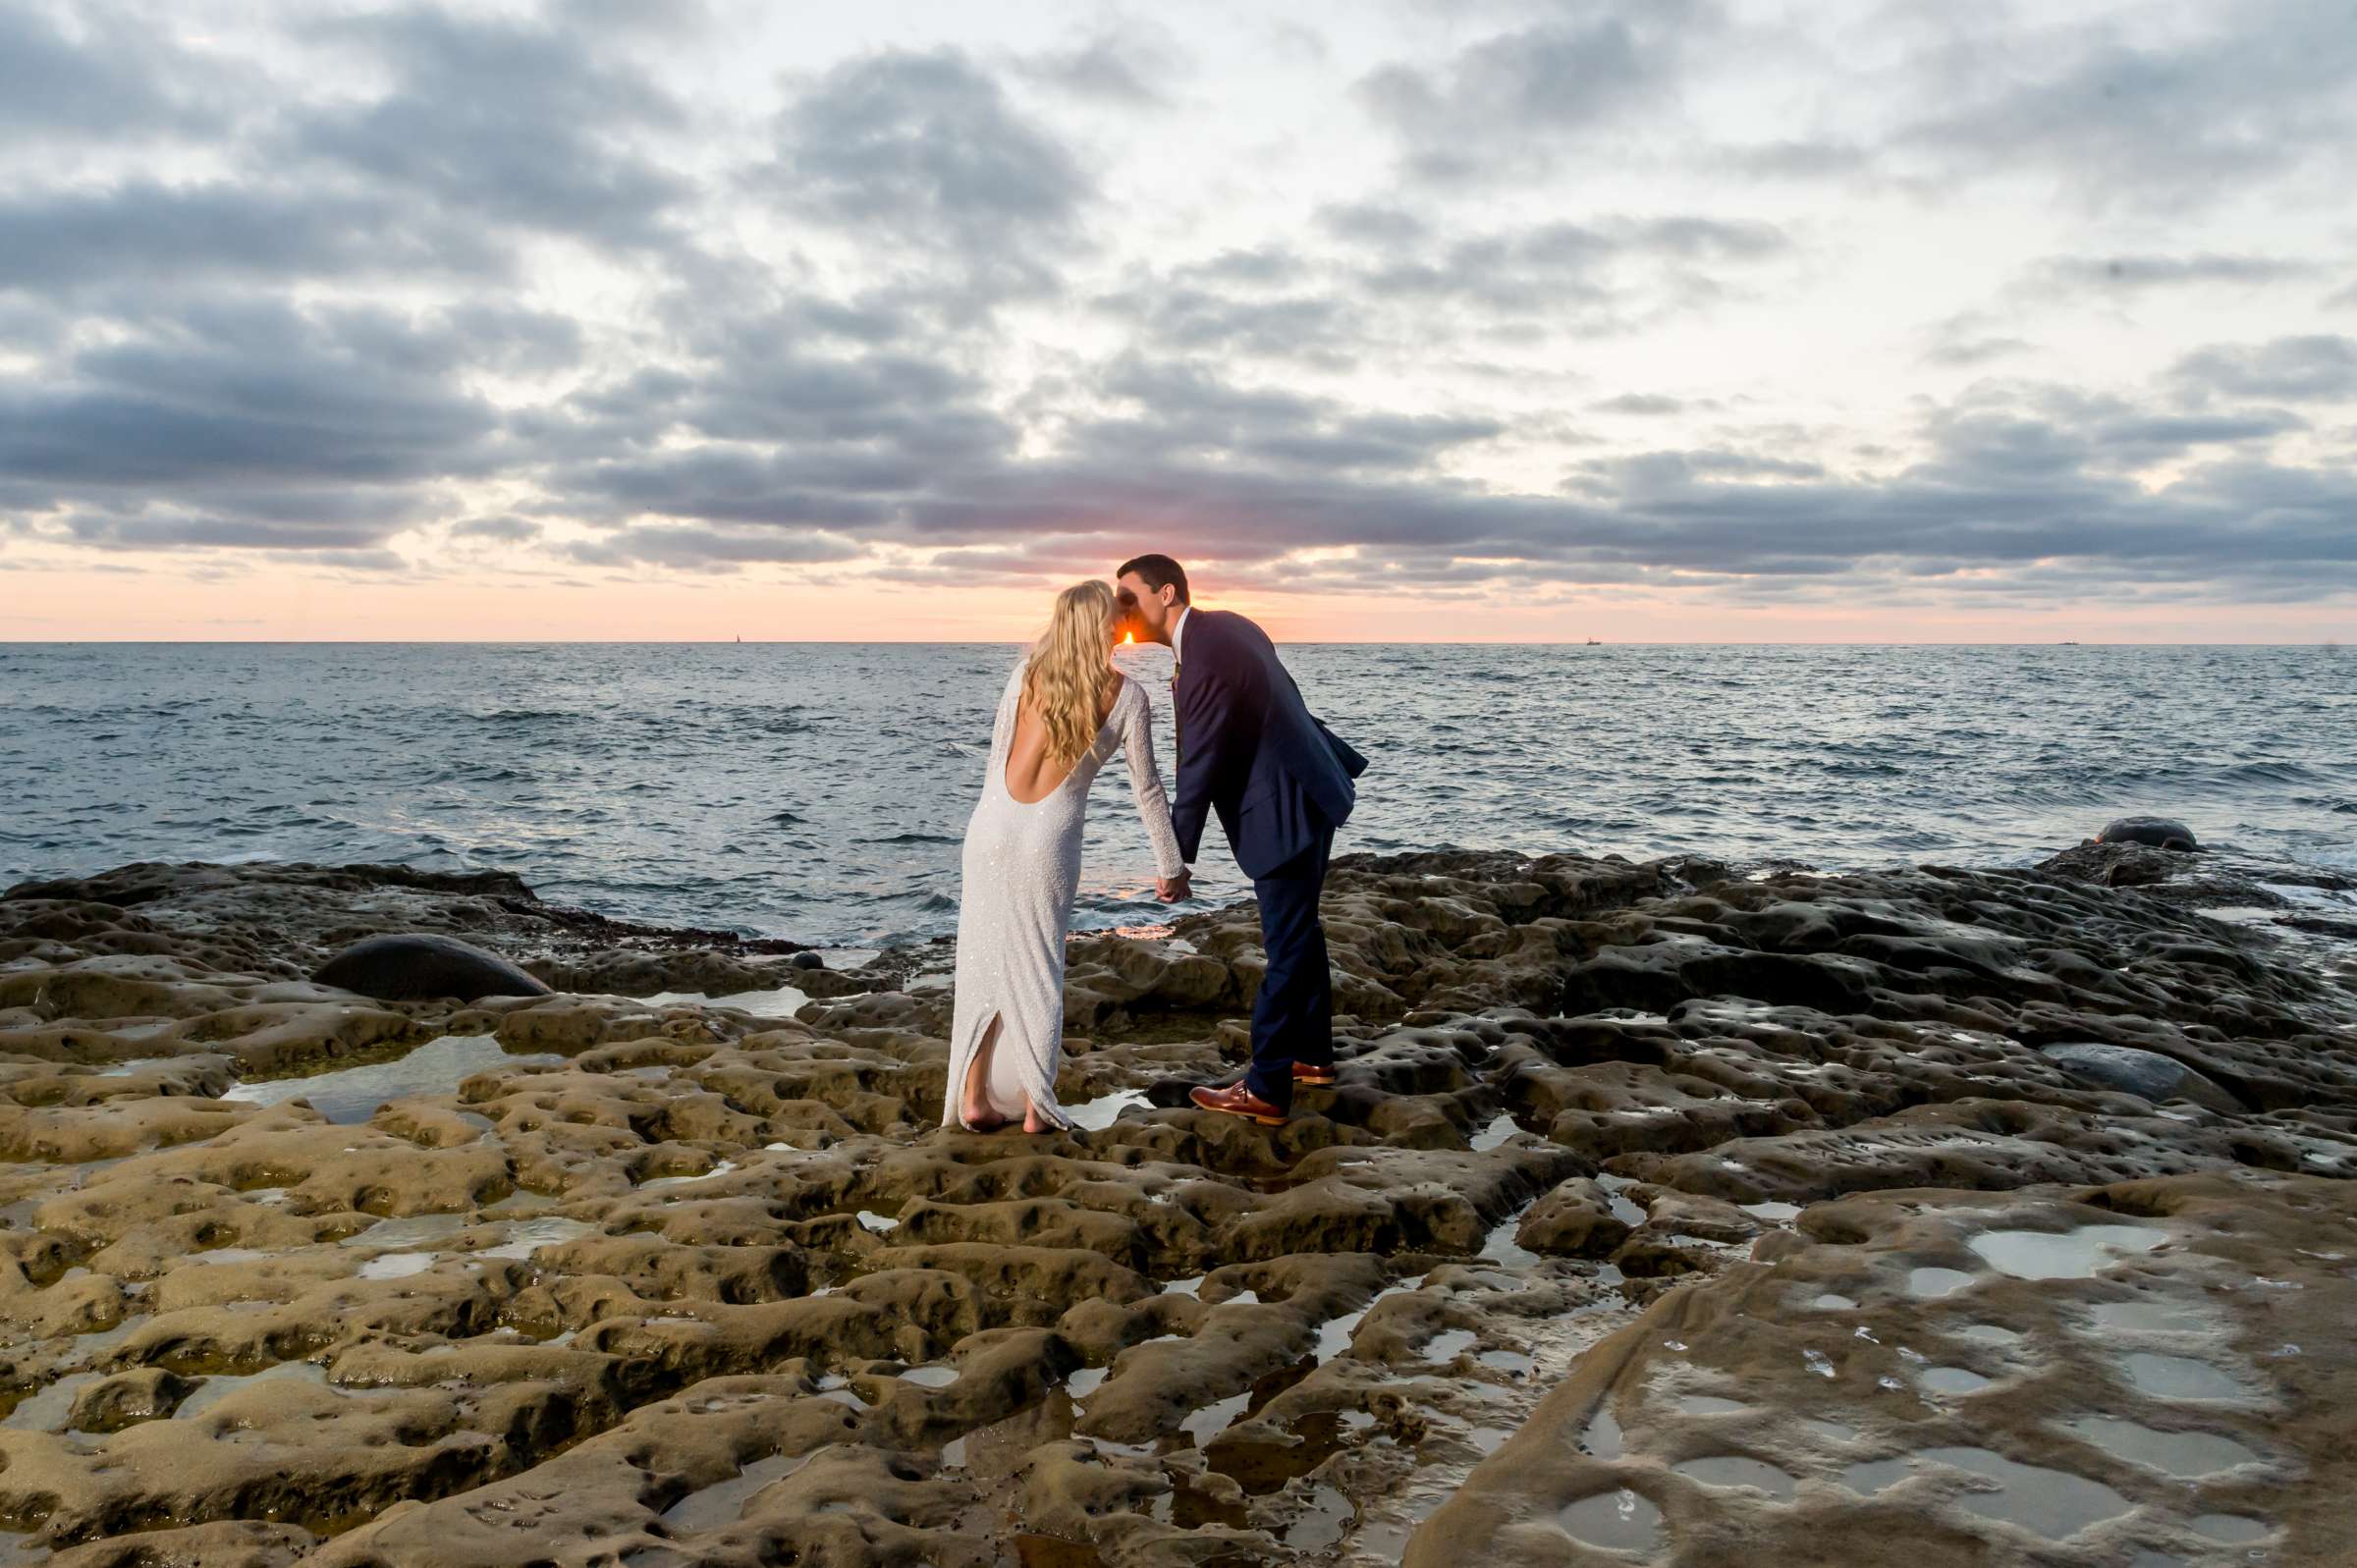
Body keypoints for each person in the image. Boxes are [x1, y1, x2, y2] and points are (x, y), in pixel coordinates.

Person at [1114, 554, 1366, 1126]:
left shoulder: (1202, 655)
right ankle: (1311, 1055)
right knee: (1303, 931)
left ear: (1167, 593)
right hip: (1308, 788)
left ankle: (1267, 1088)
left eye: (1129, 596)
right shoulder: (1230, 624)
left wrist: (1174, 859)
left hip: (1283, 809)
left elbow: (1198, 760)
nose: (1123, 608)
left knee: (1286, 946)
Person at [944, 580, 1187, 1133]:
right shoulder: (1127, 695)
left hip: (989, 830)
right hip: (1047, 838)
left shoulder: (1024, 676)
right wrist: (1170, 865)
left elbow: (994, 765)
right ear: (1104, 628)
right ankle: (1035, 1108)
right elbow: (1147, 790)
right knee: (1039, 967)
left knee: (981, 963)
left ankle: (975, 1097)